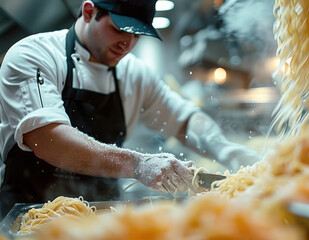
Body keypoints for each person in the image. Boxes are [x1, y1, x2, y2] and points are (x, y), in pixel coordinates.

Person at [0, 0, 260, 218]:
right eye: (119, 29)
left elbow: (185, 119)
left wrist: (228, 151)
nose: (128, 43)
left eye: (137, 34)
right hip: (30, 216)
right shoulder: (35, 55)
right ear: (89, 12)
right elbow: (49, 139)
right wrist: (139, 164)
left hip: (103, 217)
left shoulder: (133, 74)